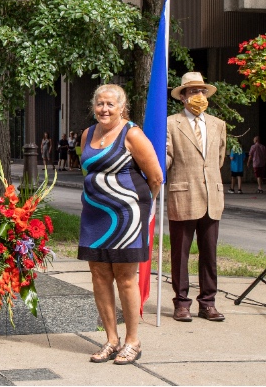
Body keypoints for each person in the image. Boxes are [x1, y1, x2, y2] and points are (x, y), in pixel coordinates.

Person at [78, 84, 162, 365]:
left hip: (127, 217)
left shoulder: (132, 134)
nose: (104, 109)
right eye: (100, 104)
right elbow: (88, 169)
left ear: (122, 107)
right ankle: (111, 340)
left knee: (126, 278)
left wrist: (142, 209)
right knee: (99, 276)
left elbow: (156, 177)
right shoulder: (88, 134)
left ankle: (132, 341)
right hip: (94, 216)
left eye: (110, 105)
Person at [166, 72, 227, 322]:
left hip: (212, 197)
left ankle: (208, 302)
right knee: (180, 253)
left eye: (202, 91)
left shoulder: (217, 124)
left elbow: (218, 159)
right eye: (192, 92)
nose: (198, 96)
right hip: (182, 195)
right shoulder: (171, 123)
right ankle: (182, 303)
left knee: (209, 253)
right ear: (182, 97)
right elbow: (166, 156)